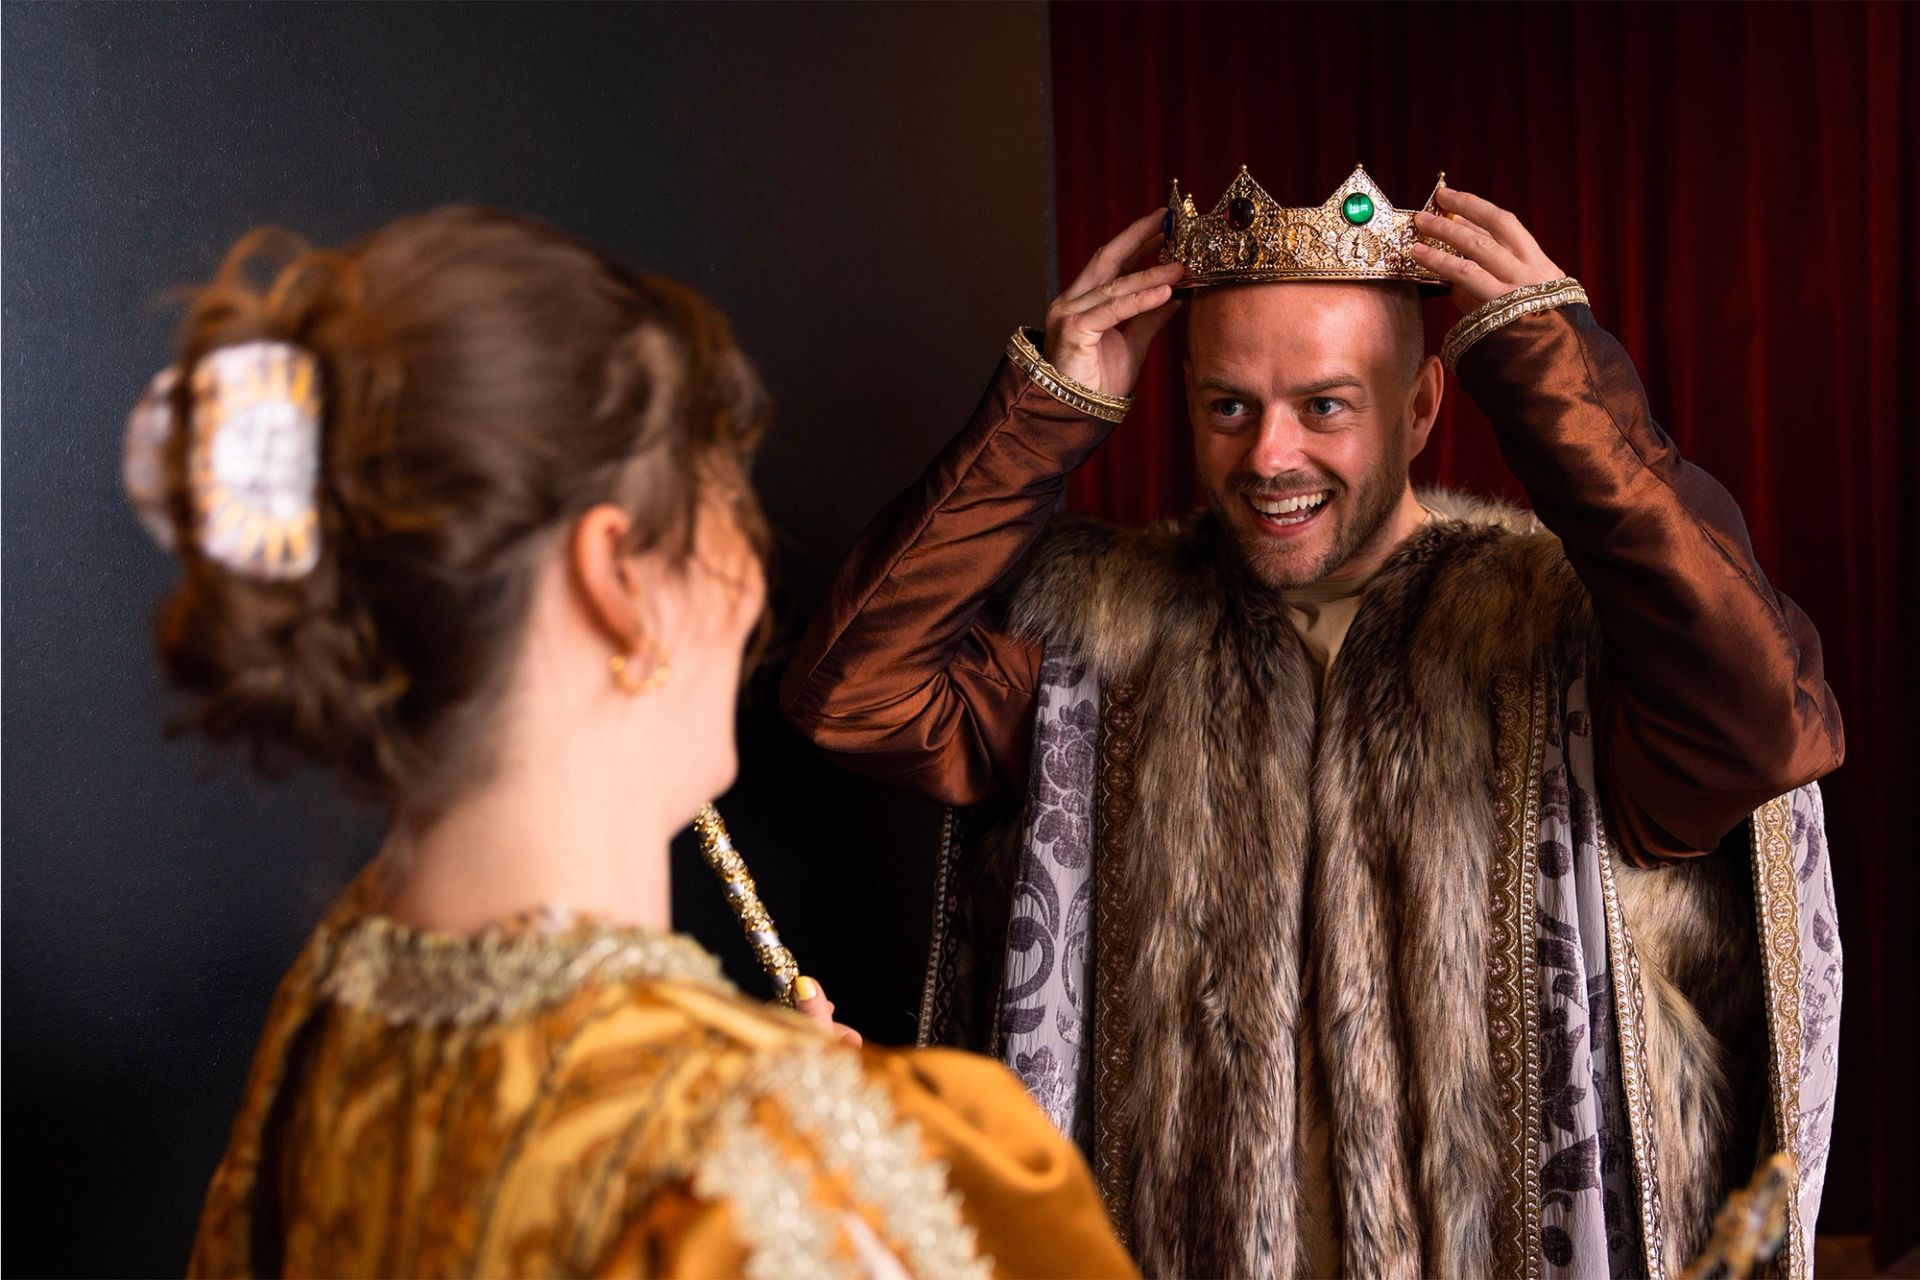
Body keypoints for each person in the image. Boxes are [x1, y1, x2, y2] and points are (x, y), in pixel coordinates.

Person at [782, 167, 1844, 1277]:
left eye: (1325, 405)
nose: (1269, 456)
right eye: (1228, 406)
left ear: (1421, 407)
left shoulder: (1563, 644)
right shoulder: (1103, 645)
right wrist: (1043, 410)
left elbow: (1763, 726)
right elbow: (854, 691)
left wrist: (1559, 383)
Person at [134, 208, 1136, 1278]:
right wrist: (823, 1168)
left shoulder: (324, 1023)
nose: (755, 579)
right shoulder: (797, 1172)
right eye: (728, 500)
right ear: (617, 580)